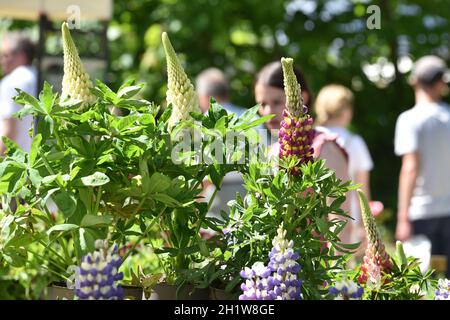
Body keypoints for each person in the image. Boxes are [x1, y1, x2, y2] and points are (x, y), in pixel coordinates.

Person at [254, 61, 352, 244]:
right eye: (262, 104)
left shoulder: (325, 148)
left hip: (315, 266)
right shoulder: (272, 151)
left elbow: (341, 224)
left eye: (276, 102)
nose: (268, 111)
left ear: (302, 98)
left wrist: (340, 271)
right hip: (278, 263)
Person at [394, 55, 450, 276]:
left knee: (429, 280)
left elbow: (410, 167)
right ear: (441, 84)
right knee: (447, 278)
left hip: (423, 212)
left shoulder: (409, 120)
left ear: (414, 81)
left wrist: (402, 218)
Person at [314, 84, 374, 243]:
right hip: (347, 218)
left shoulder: (310, 138)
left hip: (312, 217)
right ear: (346, 111)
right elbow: (362, 187)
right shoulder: (355, 142)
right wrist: (364, 224)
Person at [195, 68, 247, 219]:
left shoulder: (204, 122)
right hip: (250, 195)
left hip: (215, 196)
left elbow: (204, 172)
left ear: (204, 96)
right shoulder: (249, 117)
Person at [0, 32, 37, 154]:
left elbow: (9, 131)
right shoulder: (38, 76)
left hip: (16, 164)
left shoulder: (12, 81)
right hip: (37, 161)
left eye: (5, 55)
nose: (2, 61)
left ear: (21, 55)